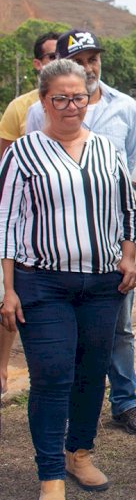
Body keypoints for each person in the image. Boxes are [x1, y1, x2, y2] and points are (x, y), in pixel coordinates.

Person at [0, 59, 136, 500]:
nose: (70, 106)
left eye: (78, 97)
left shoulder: (105, 149)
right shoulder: (23, 153)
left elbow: (127, 208)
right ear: (43, 102)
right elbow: (6, 223)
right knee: (53, 373)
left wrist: (129, 256)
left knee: (91, 369)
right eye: (59, 98)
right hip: (43, 282)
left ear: (88, 98)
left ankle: (78, 453)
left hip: (103, 284)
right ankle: (50, 475)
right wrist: (8, 290)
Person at [26, 29, 136, 436]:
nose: (88, 66)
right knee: (62, 344)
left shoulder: (125, 107)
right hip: (54, 259)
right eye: (79, 59)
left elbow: (124, 174)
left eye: (93, 58)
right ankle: (64, 415)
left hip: (109, 251)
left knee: (119, 331)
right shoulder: (36, 112)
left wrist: (127, 252)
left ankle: (125, 402)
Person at [0, 32, 59, 394]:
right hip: (24, 227)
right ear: (38, 63)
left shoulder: (86, 103)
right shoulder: (21, 108)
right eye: (51, 55)